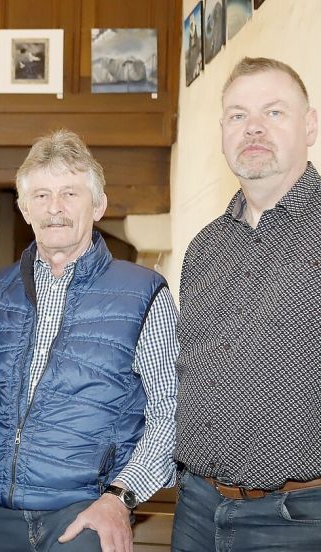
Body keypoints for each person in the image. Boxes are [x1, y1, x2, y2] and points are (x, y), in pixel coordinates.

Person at [0, 129, 179, 552]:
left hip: (85, 516)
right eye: (42, 196)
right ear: (24, 208)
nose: (55, 209)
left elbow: (171, 412)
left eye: (70, 193)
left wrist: (120, 497)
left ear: (99, 205)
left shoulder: (144, 293)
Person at [172, 57, 321, 551]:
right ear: (222, 132)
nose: (253, 127)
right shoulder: (204, 247)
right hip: (195, 509)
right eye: (237, 116)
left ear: (311, 126)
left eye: (274, 112)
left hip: (297, 519)